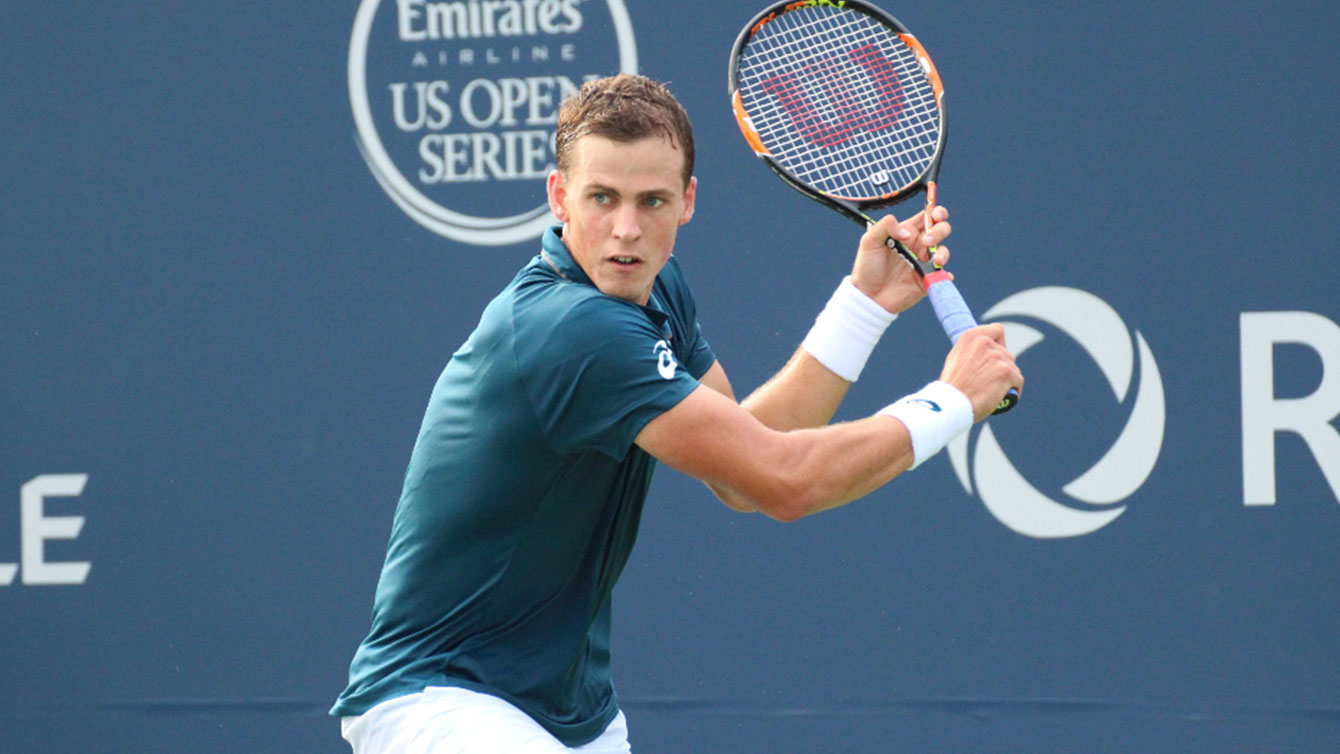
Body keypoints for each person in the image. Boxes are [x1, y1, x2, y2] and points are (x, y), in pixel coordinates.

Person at [332, 73, 1022, 753]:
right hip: (439, 699)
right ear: (558, 197)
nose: (627, 232)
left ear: (688, 201)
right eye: (602, 198)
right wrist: (952, 400)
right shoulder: (570, 330)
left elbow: (744, 464)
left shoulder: (656, 289)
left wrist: (864, 305)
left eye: (652, 201)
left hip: (571, 713)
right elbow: (784, 481)